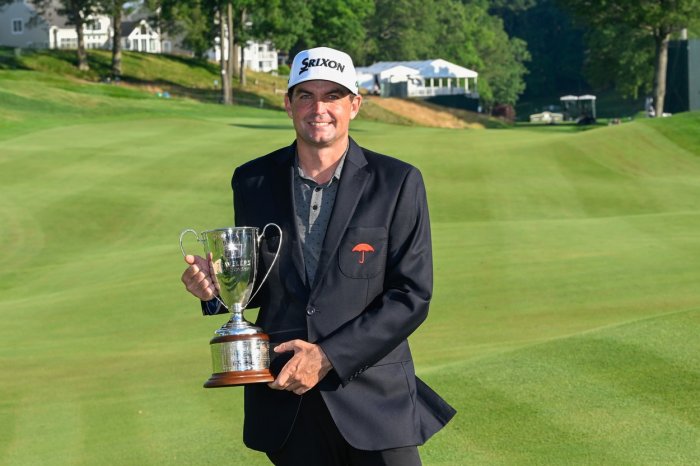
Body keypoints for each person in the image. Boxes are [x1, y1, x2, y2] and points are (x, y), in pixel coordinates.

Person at [181, 46, 455, 466]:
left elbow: (411, 297)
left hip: (375, 403)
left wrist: (328, 357)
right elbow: (255, 285)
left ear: (354, 105)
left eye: (332, 96)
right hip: (287, 401)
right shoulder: (253, 180)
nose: (318, 108)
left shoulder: (398, 181)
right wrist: (215, 288)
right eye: (306, 95)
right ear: (288, 103)